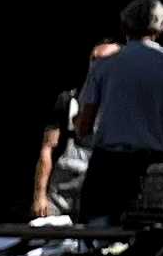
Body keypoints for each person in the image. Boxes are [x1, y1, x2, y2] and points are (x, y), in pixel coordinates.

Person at [74, 0, 163, 223]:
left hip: (107, 165)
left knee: (97, 235)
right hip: (155, 168)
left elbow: (83, 127)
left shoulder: (104, 66)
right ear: (161, 28)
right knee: (149, 235)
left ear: (124, 27)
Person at [30, 40, 123, 220]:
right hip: (61, 195)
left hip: (99, 196)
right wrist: (39, 195)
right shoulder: (68, 100)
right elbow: (47, 149)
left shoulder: (126, 107)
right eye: (94, 60)